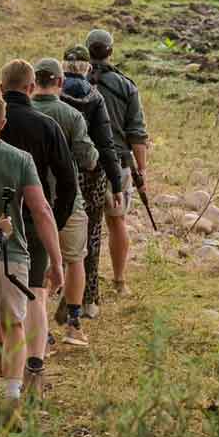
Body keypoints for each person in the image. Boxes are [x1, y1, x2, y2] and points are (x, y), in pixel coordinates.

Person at [0, 60, 74, 380]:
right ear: (30, 87)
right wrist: (57, 220)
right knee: (33, 294)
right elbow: (68, 179)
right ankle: (33, 364)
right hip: (33, 222)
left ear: (1, 87)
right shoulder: (47, 125)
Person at [32, 58, 97, 347]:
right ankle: (73, 324)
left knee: (38, 262)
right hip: (68, 200)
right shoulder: (71, 116)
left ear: (34, 83)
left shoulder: (20, 113)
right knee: (74, 260)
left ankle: (40, 328)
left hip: (31, 201)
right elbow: (88, 158)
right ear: (59, 82)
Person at [86, 29, 150, 296]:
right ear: (110, 51)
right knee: (117, 221)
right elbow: (136, 133)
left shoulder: (74, 81)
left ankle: (72, 277)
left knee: (78, 222)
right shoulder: (125, 85)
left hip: (82, 162)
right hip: (120, 163)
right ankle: (120, 280)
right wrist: (141, 170)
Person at [61, 45, 123, 318]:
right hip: (90, 176)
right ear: (87, 67)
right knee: (91, 237)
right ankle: (88, 300)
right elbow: (107, 144)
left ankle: (50, 291)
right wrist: (116, 182)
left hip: (57, 173)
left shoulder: (51, 96)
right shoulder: (95, 97)